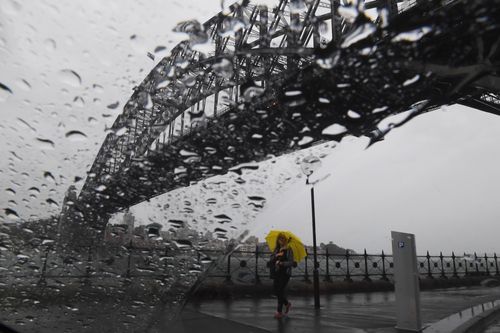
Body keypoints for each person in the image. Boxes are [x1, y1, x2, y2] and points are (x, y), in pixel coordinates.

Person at [269, 233, 296, 319]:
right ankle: (287, 304)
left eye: (283, 239)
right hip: (277, 273)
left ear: (286, 240)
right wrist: (276, 256)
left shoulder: (289, 250)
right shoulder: (276, 249)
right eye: (280, 239)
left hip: (285, 273)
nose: (281, 240)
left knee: (280, 290)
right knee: (276, 290)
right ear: (278, 240)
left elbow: (292, 262)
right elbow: (271, 260)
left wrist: (282, 263)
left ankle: (279, 311)